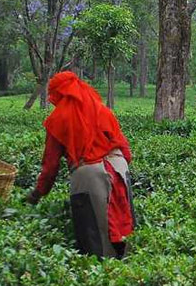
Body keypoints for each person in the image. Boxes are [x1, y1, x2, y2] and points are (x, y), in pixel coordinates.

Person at [26, 71, 135, 259]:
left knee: (96, 238)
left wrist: (37, 193)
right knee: (124, 226)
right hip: (119, 167)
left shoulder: (58, 119)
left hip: (89, 174)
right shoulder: (101, 109)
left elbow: (50, 166)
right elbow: (125, 150)